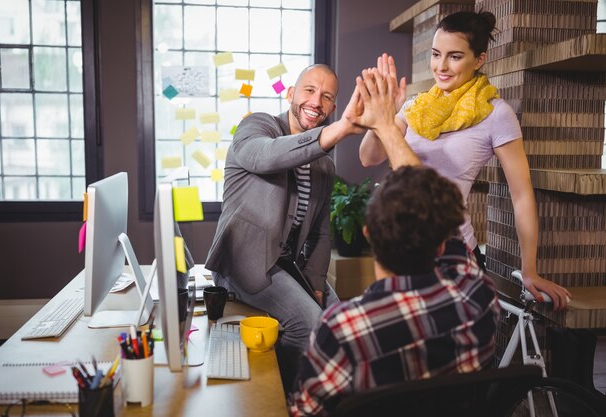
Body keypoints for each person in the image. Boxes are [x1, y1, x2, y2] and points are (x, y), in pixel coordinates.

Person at [357, 10, 571, 310]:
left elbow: (521, 195)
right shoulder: (415, 106)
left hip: (453, 252)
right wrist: (384, 116)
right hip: (402, 247)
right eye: (435, 54)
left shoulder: (495, 113)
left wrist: (529, 269)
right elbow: (369, 157)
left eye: (454, 56)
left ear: (479, 59)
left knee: (449, 352)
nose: (441, 66)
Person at [288, 165, 500, 417]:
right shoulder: (478, 296)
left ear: (368, 233)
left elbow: (304, 413)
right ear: (441, 246)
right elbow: (455, 243)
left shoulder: (342, 330)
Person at [205, 64, 364, 367]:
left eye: (327, 97)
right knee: (310, 325)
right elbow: (266, 156)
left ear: (332, 107)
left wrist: (316, 283)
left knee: (342, 324)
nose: (317, 102)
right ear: (291, 93)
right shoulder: (256, 126)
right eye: (309, 90)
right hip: (242, 262)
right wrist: (340, 130)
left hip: (287, 264)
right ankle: (291, 400)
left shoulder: (324, 167)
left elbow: (320, 233)